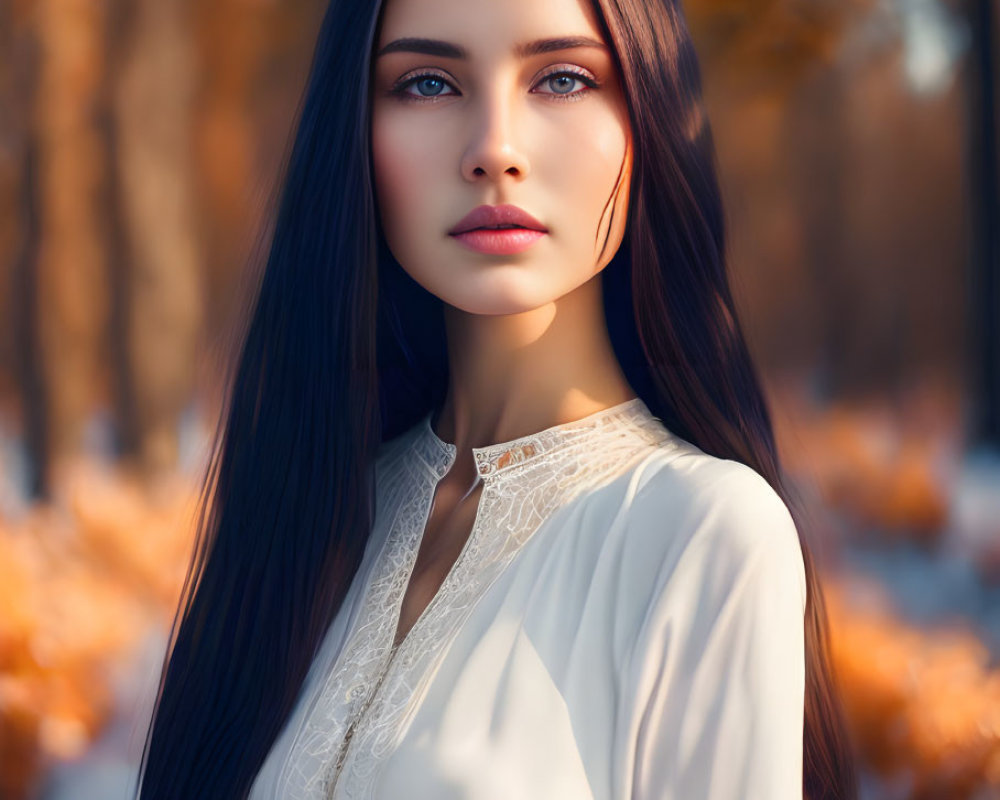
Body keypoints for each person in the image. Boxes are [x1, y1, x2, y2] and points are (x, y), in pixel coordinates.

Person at [132, 0, 859, 797]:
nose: (494, 150)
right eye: (429, 84)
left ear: (647, 112)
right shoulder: (320, 510)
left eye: (563, 77)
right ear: (353, 130)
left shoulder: (704, 534)